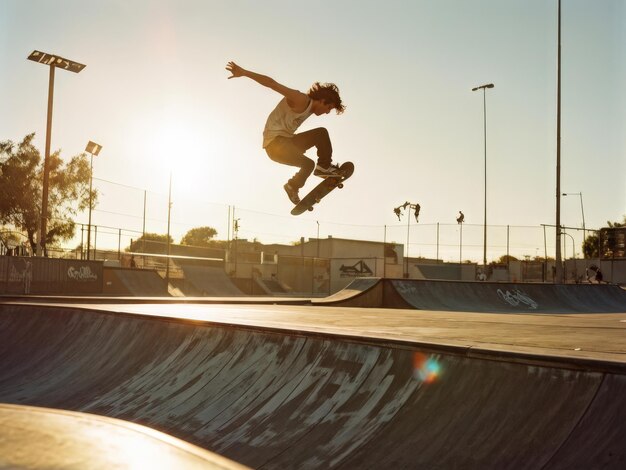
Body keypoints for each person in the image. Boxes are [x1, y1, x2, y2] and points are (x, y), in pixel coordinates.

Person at [226, 61, 346, 204]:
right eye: (329, 108)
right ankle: (299, 182)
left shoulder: (310, 110)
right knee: (308, 164)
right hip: (275, 145)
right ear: (322, 100)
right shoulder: (300, 99)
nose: (327, 112)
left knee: (321, 134)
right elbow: (272, 83)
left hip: (287, 142)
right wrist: (244, 73)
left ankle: (319, 169)